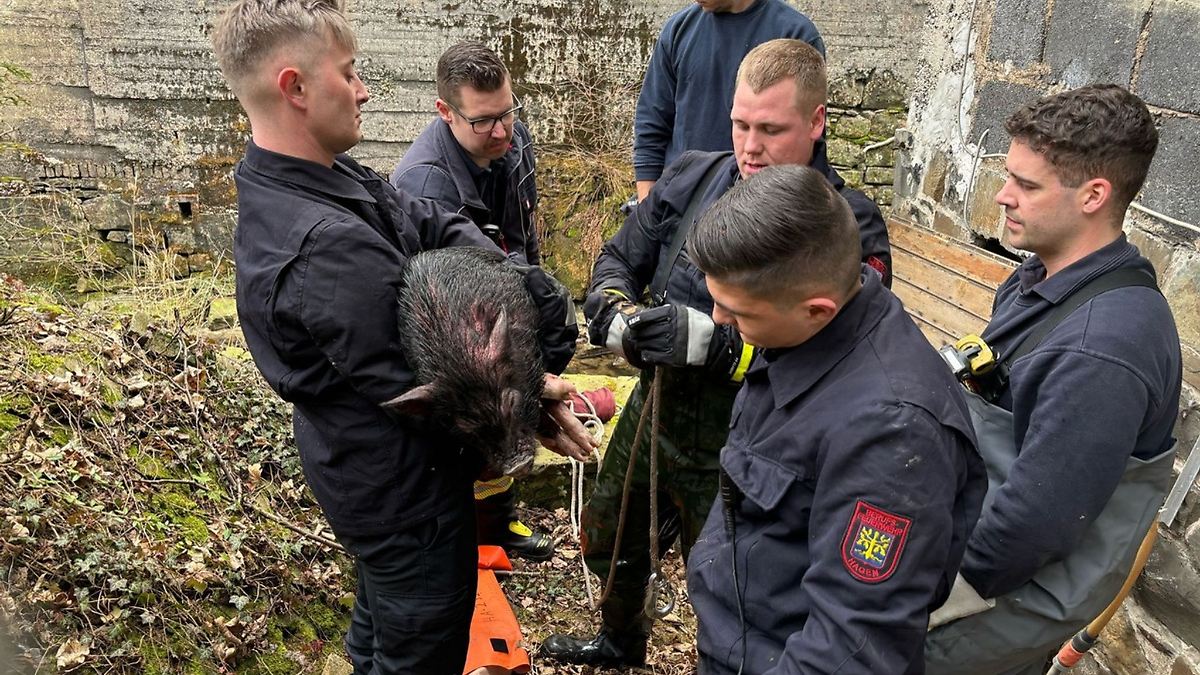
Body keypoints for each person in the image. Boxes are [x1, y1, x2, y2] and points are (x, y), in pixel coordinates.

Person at [210, 2, 594, 672]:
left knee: (382, 624)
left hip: (372, 478)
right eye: (349, 73)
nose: (363, 89)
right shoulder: (322, 248)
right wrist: (530, 394)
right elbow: (437, 389)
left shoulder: (322, 178)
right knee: (420, 646)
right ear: (295, 87)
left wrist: (501, 278)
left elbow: (424, 220)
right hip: (404, 498)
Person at [540, 38, 890, 667]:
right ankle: (621, 641)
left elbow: (844, 355)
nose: (750, 148)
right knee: (609, 537)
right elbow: (620, 257)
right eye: (740, 124)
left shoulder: (847, 226)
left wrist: (713, 343)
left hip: (751, 437)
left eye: (771, 130)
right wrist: (618, 314)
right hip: (657, 410)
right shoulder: (693, 175)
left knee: (732, 587)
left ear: (816, 123)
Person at [685, 164, 985, 674]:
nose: (719, 321)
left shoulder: (891, 433)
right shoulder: (802, 332)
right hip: (742, 640)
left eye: (738, 311)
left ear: (817, 309)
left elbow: (850, 649)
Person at [924, 85, 1182, 675]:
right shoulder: (1039, 279)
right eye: (1007, 176)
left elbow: (1033, 524)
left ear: (1095, 195)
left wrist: (926, 598)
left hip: (995, 597)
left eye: (1027, 186)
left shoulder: (1104, 346)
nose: (1003, 197)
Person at [391, 41, 551, 562]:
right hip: (463, 333)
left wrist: (534, 289)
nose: (502, 131)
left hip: (509, 291)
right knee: (480, 422)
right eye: (484, 122)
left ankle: (502, 520)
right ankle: (473, 528)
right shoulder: (422, 185)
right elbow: (438, 302)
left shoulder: (511, 140)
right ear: (445, 111)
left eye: (507, 112)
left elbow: (522, 232)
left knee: (511, 414)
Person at [633, 0, 825, 201]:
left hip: (760, 212)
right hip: (679, 209)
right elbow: (651, 127)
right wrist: (647, 210)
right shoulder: (678, 31)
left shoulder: (795, 35)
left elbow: (810, 144)